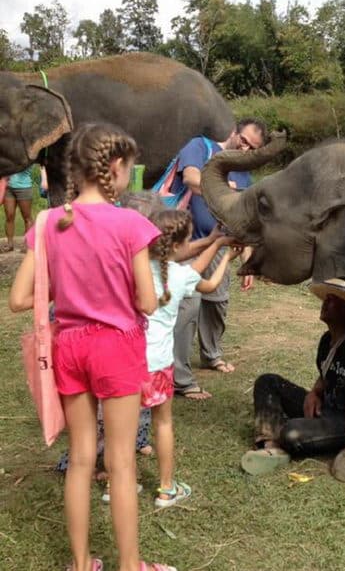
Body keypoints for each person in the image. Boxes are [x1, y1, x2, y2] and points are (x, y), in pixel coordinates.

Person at [8, 122, 175, 571]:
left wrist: (69, 287)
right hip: (116, 346)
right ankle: (130, 565)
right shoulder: (131, 223)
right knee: (120, 461)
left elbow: (19, 299)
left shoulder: (46, 222)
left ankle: (81, 564)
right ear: (116, 168)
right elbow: (144, 300)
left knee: (81, 457)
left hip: (68, 345)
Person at [241, 278, 345, 475]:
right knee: (268, 382)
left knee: (292, 433)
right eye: (327, 298)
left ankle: (281, 439)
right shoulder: (327, 340)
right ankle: (270, 443)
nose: (326, 302)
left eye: (334, 300)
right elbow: (326, 373)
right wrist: (315, 392)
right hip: (325, 409)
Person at [142, 208, 240, 507]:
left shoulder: (136, 269)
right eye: (187, 242)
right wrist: (225, 256)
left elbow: (193, 261)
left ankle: (117, 482)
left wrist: (215, 242)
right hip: (158, 363)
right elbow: (207, 283)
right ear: (175, 247)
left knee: (125, 425)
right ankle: (166, 488)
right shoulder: (181, 276)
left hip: (127, 360)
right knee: (162, 423)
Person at [171, 118, 266, 400]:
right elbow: (190, 177)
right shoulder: (201, 147)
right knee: (189, 306)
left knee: (218, 302)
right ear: (234, 133)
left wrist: (247, 258)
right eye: (245, 140)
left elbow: (243, 219)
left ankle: (211, 354)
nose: (246, 148)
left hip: (220, 244)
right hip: (187, 242)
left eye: (253, 148)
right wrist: (226, 194)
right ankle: (181, 379)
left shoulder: (244, 174)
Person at [2, 164, 34, 252]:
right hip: (9, 188)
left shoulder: (27, 155)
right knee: (9, 215)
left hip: (24, 188)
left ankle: (27, 244)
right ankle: (9, 244)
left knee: (27, 218)